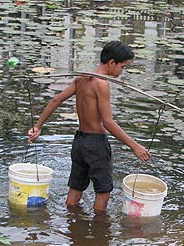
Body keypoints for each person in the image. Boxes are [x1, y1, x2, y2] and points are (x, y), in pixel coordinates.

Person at [28, 40, 151, 214]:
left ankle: (72, 224)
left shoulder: (81, 78)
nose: (122, 72)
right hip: (96, 144)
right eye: (122, 67)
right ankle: (98, 234)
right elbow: (108, 122)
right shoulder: (101, 84)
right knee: (103, 192)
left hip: (79, 142)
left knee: (76, 188)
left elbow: (56, 100)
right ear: (111, 62)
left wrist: (38, 126)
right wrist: (135, 146)